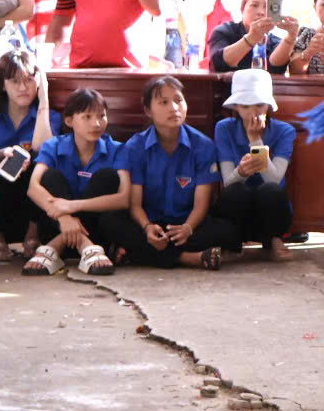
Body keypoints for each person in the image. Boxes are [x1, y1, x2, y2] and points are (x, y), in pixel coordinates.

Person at [100, 76, 238, 270]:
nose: (174, 108)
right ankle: (187, 258)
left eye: (178, 100)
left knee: (228, 232)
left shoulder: (203, 146)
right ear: (148, 111)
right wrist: (147, 227)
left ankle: (137, 253)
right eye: (164, 102)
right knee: (110, 222)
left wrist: (187, 228)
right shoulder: (135, 147)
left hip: (188, 224)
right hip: (151, 224)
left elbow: (201, 204)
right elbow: (135, 205)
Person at [22, 87, 125, 276]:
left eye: (101, 116)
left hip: (97, 234)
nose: (96, 124)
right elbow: (33, 188)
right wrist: (65, 218)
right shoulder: (53, 146)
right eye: (87, 117)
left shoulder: (117, 149)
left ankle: (53, 248)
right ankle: (85, 247)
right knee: (50, 177)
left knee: (107, 177)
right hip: (56, 226)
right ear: (69, 121)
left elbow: (124, 199)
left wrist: (71, 206)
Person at [0, 50, 61, 261]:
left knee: (41, 164)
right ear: (2, 85)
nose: (23, 88)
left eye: (29, 80)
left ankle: (33, 234)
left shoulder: (50, 117)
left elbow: (43, 147)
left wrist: (43, 100)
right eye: (15, 81)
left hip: (31, 205)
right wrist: (1, 154)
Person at [212, 69, 294, 261]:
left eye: (259, 105)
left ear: (268, 106)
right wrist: (241, 172)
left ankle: (273, 239)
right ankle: (232, 243)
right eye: (245, 106)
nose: (253, 112)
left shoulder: (285, 131)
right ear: (236, 107)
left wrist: (255, 140)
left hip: (271, 213)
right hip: (239, 214)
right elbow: (228, 182)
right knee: (235, 191)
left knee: (270, 190)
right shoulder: (224, 128)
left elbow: (274, 179)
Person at [207, 0, 299, 75]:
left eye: (266, 7)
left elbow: (275, 65)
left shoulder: (275, 41)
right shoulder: (224, 31)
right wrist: (252, 37)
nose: (261, 12)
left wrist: (291, 36)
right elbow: (218, 62)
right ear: (242, 9)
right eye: (254, 5)